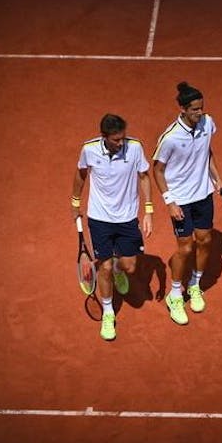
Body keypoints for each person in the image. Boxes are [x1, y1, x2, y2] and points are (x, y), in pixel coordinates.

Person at [71, 114, 154, 341]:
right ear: (104, 137)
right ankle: (108, 312)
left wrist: (148, 211)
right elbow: (81, 175)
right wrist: (75, 203)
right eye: (116, 140)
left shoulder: (134, 148)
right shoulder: (89, 150)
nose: (121, 144)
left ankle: (118, 269)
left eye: (123, 138)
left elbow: (144, 177)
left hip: (127, 218)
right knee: (104, 267)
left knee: (129, 266)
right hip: (99, 218)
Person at [152, 82, 222, 325]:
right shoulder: (171, 137)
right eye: (194, 110)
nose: (199, 114)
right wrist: (169, 202)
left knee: (205, 240)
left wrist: (218, 179)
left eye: (201, 109)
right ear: (183, 109)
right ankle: (174, 295)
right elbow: (158, 171)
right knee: (185, 248)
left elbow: (208, 151)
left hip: (203, 194)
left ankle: (194, 285)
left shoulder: (207, 123)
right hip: (181, 200)